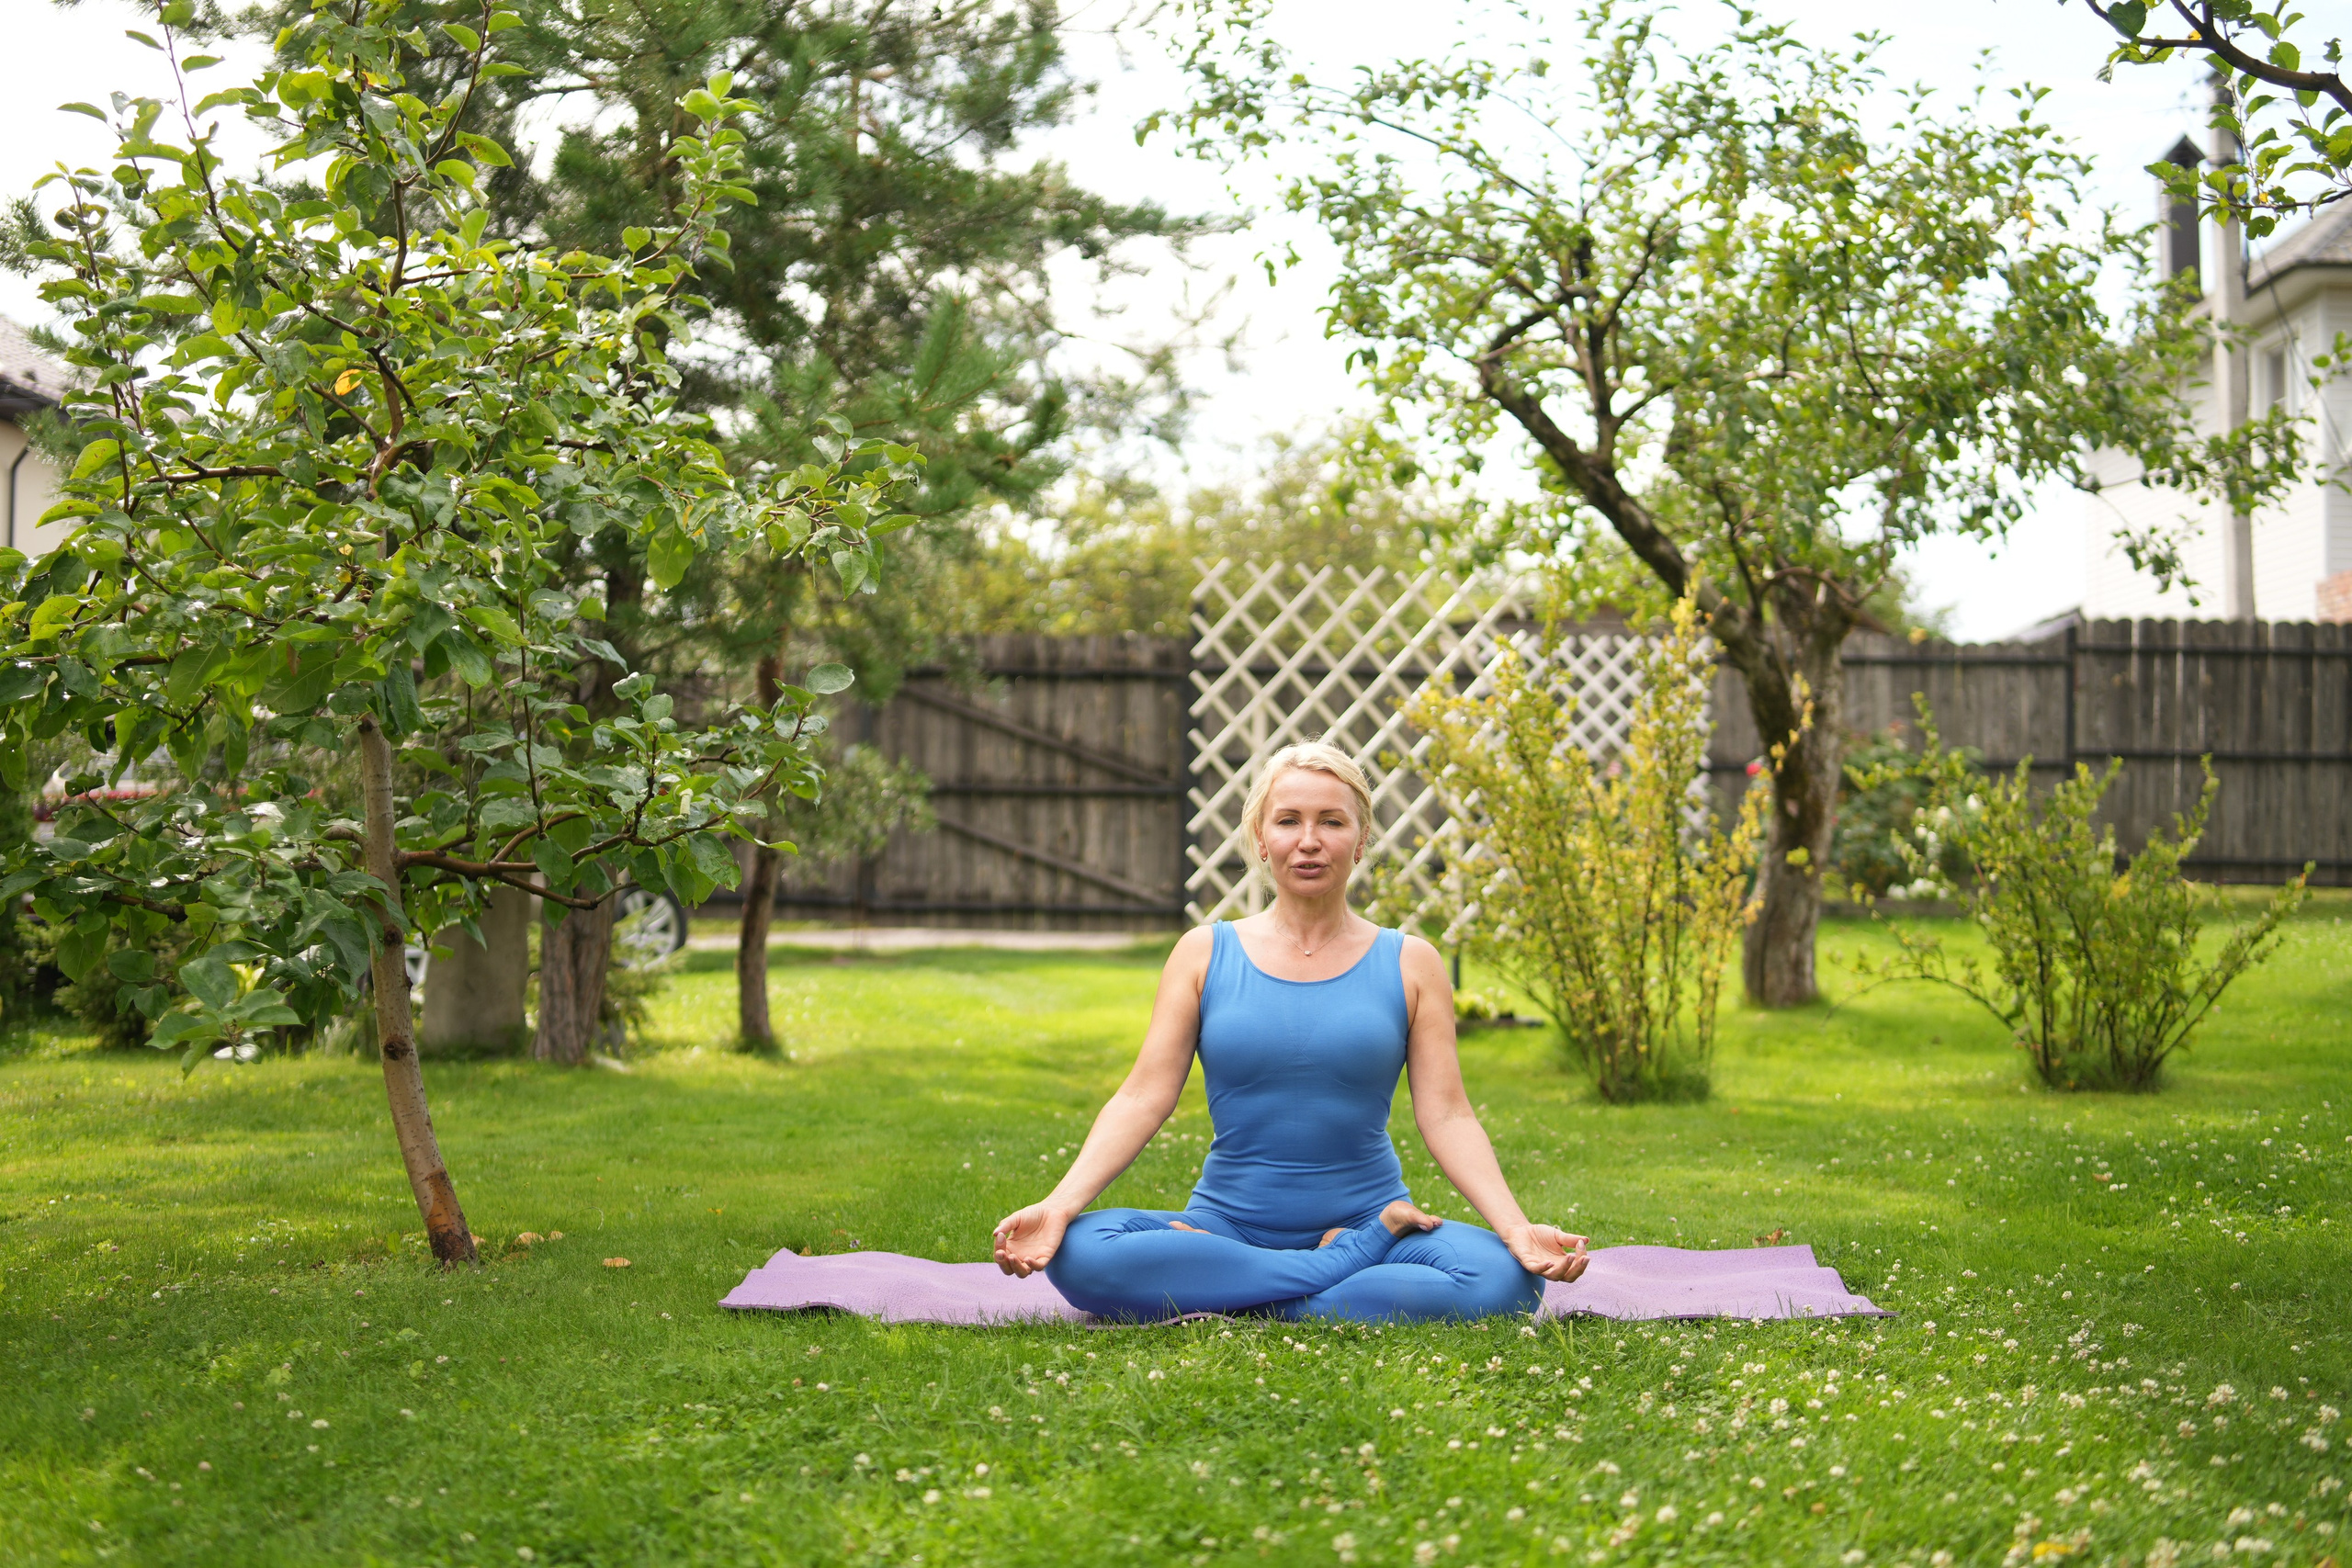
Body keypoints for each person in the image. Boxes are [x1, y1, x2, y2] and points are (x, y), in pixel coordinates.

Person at [991, 739, 1589, 1322]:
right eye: (1288, 821)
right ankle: (1333, 1271)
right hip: (1225, 1226)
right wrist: (1060, 1204)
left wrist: (1514, 1228)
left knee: (1505, 1279)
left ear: (1360, 842)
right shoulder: (1203, 952)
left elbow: (1449, 1115)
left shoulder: (1412, 962)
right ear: (1261, 838)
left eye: (1332, 821)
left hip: (1372, 1216)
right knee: (1079, 1252)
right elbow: (1143, 1095)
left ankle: (1230, 1287)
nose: (1309, 841)